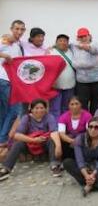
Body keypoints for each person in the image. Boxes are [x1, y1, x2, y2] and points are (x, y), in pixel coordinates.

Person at [0, 99, 62, 181]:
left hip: (44, 143)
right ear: (31, 109)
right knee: (18, 143)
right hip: (31, 144)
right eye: (36, 108)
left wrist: (58, 146)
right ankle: (6, 169)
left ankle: (55, 166)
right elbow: (17, 135)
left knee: (52, 140)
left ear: (45, 109)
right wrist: (34, 140)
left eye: (42, 108)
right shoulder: (26, 118)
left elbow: (54, 132)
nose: (39, 110)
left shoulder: (49, 117)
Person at [63, 117, 98, 197]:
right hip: (85, 167)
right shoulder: (80, 139)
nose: (93, 130)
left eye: (96, 127)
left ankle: (89, 185)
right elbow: (79, 160)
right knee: (67, 162)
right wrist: (87, 175)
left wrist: (93, 173)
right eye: (90, 127)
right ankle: (95, 183)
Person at [0, 20, 26, 148]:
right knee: (15, 111)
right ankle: (3, 139)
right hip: (5, 80)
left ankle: (2, 139)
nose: (19, 32)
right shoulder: (6, 39)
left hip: (11, 81)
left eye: (22, 29)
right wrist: (4, 55)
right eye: (17, 29)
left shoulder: (18, 43)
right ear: (11, 28)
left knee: (5, 111)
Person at [71, 27, 98, 115]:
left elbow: (93, 49)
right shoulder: (74, 46)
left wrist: (83, 46)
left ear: (89, 36)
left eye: (85, 36)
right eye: (80, 37)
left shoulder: (95, 44)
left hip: (97, 80)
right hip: (82, 82)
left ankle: (94, 122)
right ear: (77, 37)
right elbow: (63, 45)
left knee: (96, 104)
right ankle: (85, 122)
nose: (83, 38)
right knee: (83, 104)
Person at [49, 34, 76, 119]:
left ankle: (64, 126)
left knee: (67, 108)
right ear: (56, 42)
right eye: (60, 40)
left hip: (70, 86)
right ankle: (55, 128)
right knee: (55, 109)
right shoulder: (51, 52)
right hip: (55, 86)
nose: (63, 42)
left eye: (65, 41)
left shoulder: (72, 51)